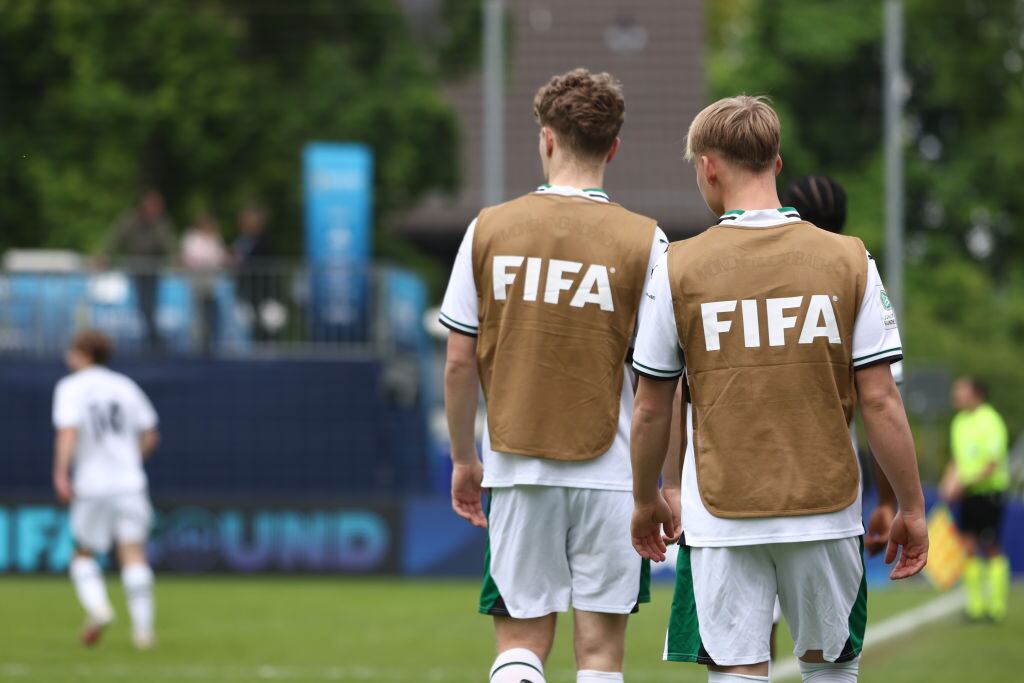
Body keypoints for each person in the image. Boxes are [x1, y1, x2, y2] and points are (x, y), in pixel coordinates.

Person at [630, 96, 928, 683]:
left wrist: (648, 498)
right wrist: (912, 506)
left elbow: (650, 407)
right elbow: (881, 401)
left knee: (737, 673)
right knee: (832, 673)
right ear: (777, 163)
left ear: (709, 166)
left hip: (720, 515)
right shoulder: (851, 259)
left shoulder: (676, 266)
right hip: (827, 509)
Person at [440, 68, 671, 683]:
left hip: (517, 464)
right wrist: (662, 483)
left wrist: (464, 458)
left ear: (546, 138)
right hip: (613, 471)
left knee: (518, 646)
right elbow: (662, 383)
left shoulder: (487, 229)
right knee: (599, 658)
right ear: (613, 148)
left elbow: (459, 359)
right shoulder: (648, 242)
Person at [52, 330, 160, 649]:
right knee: (133, 553)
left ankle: (98, 608)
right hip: (130, 484)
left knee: (83, 553)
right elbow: (150, 433)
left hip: (91, 484)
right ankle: (143, 632)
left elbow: (68, 431)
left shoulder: (70, 387)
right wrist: (132, 461)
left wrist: (60, 472)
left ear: (83, 354)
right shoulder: (125, 386)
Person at [940, 376, 1011, 622]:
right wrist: (948, 483)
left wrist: (961, 484)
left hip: (988, 493)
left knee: (991, 546)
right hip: (968, 495)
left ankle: (996, 607)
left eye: (961, 389)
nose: (956, 393)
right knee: (968, 546)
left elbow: (992, 465)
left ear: (976, 394)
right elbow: (958, 460)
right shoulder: (959, 422)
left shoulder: (991, 421)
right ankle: (975, 606)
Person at [103, 190, 177, 351]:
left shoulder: (160, 223)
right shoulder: (130, 220)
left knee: (150, 305)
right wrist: (104, 255)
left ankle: (153, 339)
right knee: (142, 305)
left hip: (153, 269)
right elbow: (115, 238)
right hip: (136, 267)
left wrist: (175, 257)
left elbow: (168, 243)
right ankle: (150, 339)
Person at [181, 213, 229, 354]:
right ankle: (198, 345)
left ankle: (211, 343)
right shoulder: (191, 238)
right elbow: (190, 258)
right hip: (197, 281)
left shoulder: (216, 239)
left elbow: (220, 257)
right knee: (198, 314)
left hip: (212, 282)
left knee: (211, 314)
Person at [233, 204, 274, 341]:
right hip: (246, 289)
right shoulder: (242, 240)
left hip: (260, 290)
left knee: (263, 326)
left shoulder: (264, 241)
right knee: (246, 325)